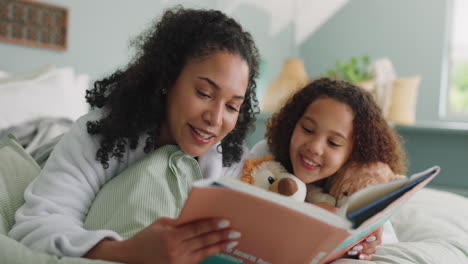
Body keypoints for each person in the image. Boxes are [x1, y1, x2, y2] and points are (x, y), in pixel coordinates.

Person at [9, 7, 260, 264]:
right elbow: (34, 228)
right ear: (168, 80)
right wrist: (128, 251)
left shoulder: (231, 160)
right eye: (204, 93)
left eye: (232, 106)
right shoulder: (100, 135)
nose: (216, 119)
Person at [253, 77, 407, 260]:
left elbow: (388, 242)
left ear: (353, 154)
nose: (315, 148)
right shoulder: (266, 154)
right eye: (308, 129)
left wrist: (370, 240)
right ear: (293, 123)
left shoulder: (357, 183)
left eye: (333, 143)